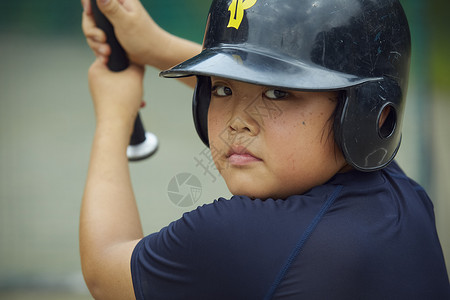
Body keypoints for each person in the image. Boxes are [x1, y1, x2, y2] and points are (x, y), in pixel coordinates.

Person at [80, 0, 450, 299]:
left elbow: (103, 270)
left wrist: (114, 114)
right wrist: (156, 45)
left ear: (365, 114)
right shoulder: (403, 196)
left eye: (278, 93)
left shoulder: (240, 235)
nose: (237, 121)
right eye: (222, 89)